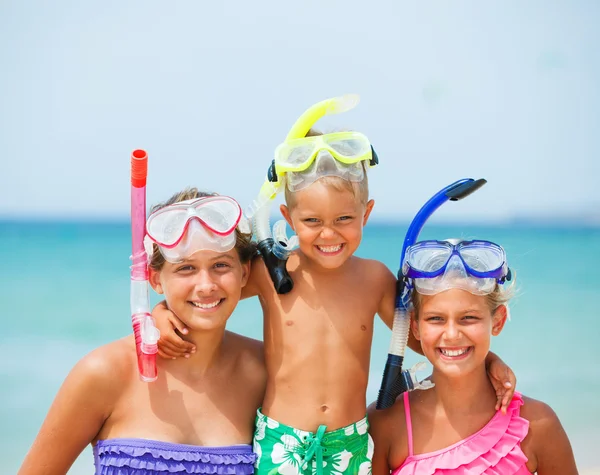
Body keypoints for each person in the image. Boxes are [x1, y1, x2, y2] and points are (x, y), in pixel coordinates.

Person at [153, 96, 517, 475]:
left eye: (344, 218)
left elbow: (427, 339)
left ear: (367, 213)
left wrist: (488, 359)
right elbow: (210, 297)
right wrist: (162, 313)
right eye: (312, 221)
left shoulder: (374, 279)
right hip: (281, 442)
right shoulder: (268, 271)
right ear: (288, 218)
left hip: (352, 443)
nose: (329, 233)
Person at [19, 189, 266, 475]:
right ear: (155, 279)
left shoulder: (262, 372)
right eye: (186, 268)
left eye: (220, 265)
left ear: (245, 273)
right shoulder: (104, 372)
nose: (206, 285)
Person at [368, 238, 578, 474]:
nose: (452, 334)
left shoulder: (537, 423)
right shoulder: (385, 423)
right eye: (435, 319)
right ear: (415, 326)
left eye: (468, 318)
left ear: (497, 321)